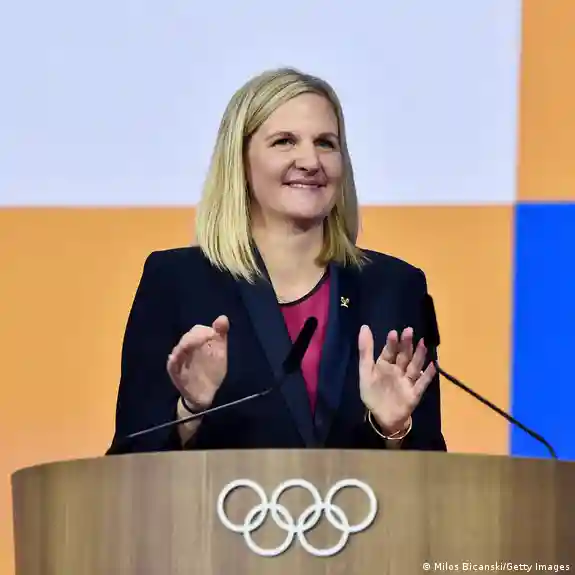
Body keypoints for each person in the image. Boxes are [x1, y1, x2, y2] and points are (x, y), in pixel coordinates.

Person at [107, 67, 447, 455]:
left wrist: (394, 429)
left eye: (326, 143)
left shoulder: (394, 287)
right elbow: (128, 462)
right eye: (285, 141)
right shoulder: (176, 283)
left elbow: (431, 466)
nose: (310, 161)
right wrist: (190, 411)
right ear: (240, 161)